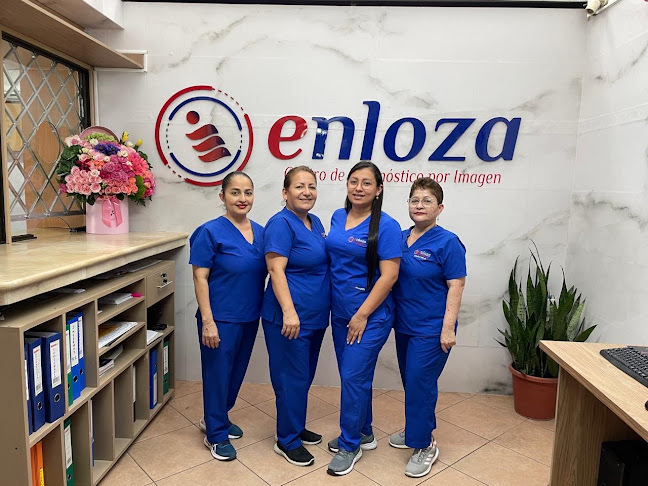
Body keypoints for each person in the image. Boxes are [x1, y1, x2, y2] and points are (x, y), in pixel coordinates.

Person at [325, 161, 402, 476]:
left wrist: (361, 314)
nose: (359, 188)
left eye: (367, 183)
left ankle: (349, 445)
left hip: (370, 316)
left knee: (353, 377)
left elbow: (390, 276)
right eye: (354, 181)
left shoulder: (387, 226)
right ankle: (364, 431)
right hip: (340, 312)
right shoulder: (337, 216)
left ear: (378, 189)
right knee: (353, 377)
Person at [390, 177, 466, 478]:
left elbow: (456, 285)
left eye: (427, 201)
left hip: (432, 328)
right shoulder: (400, 237)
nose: (419, 206)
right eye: (415, 200)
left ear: (440, 208)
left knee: (420, 384)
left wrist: (447, 328)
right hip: (404, 325)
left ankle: (424, 444)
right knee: (412, 383)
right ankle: (415, 429)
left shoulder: (448, 242)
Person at [189, 172, 267, 462]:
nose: (242, 198)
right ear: (222, 196)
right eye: (235, 192)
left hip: (249, 316)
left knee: (235, 374)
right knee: (218, 376)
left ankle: (217, 416)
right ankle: (216, 434)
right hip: (220, 319)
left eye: (248, 192)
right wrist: (208, 322)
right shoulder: (209, 232)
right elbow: (199, 277)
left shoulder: (261, 232)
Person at [262, 166, 331, 467]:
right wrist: (289, 313)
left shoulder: (315, 222)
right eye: (299, 186)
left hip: (314, 317)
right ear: (285, 192)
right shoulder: (280, 224)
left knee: (303, 376)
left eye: (311, 186)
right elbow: (275, 270)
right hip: (289, 318)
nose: (306, 192)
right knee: (291, 378)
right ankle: (286, 440)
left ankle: (296, 425)